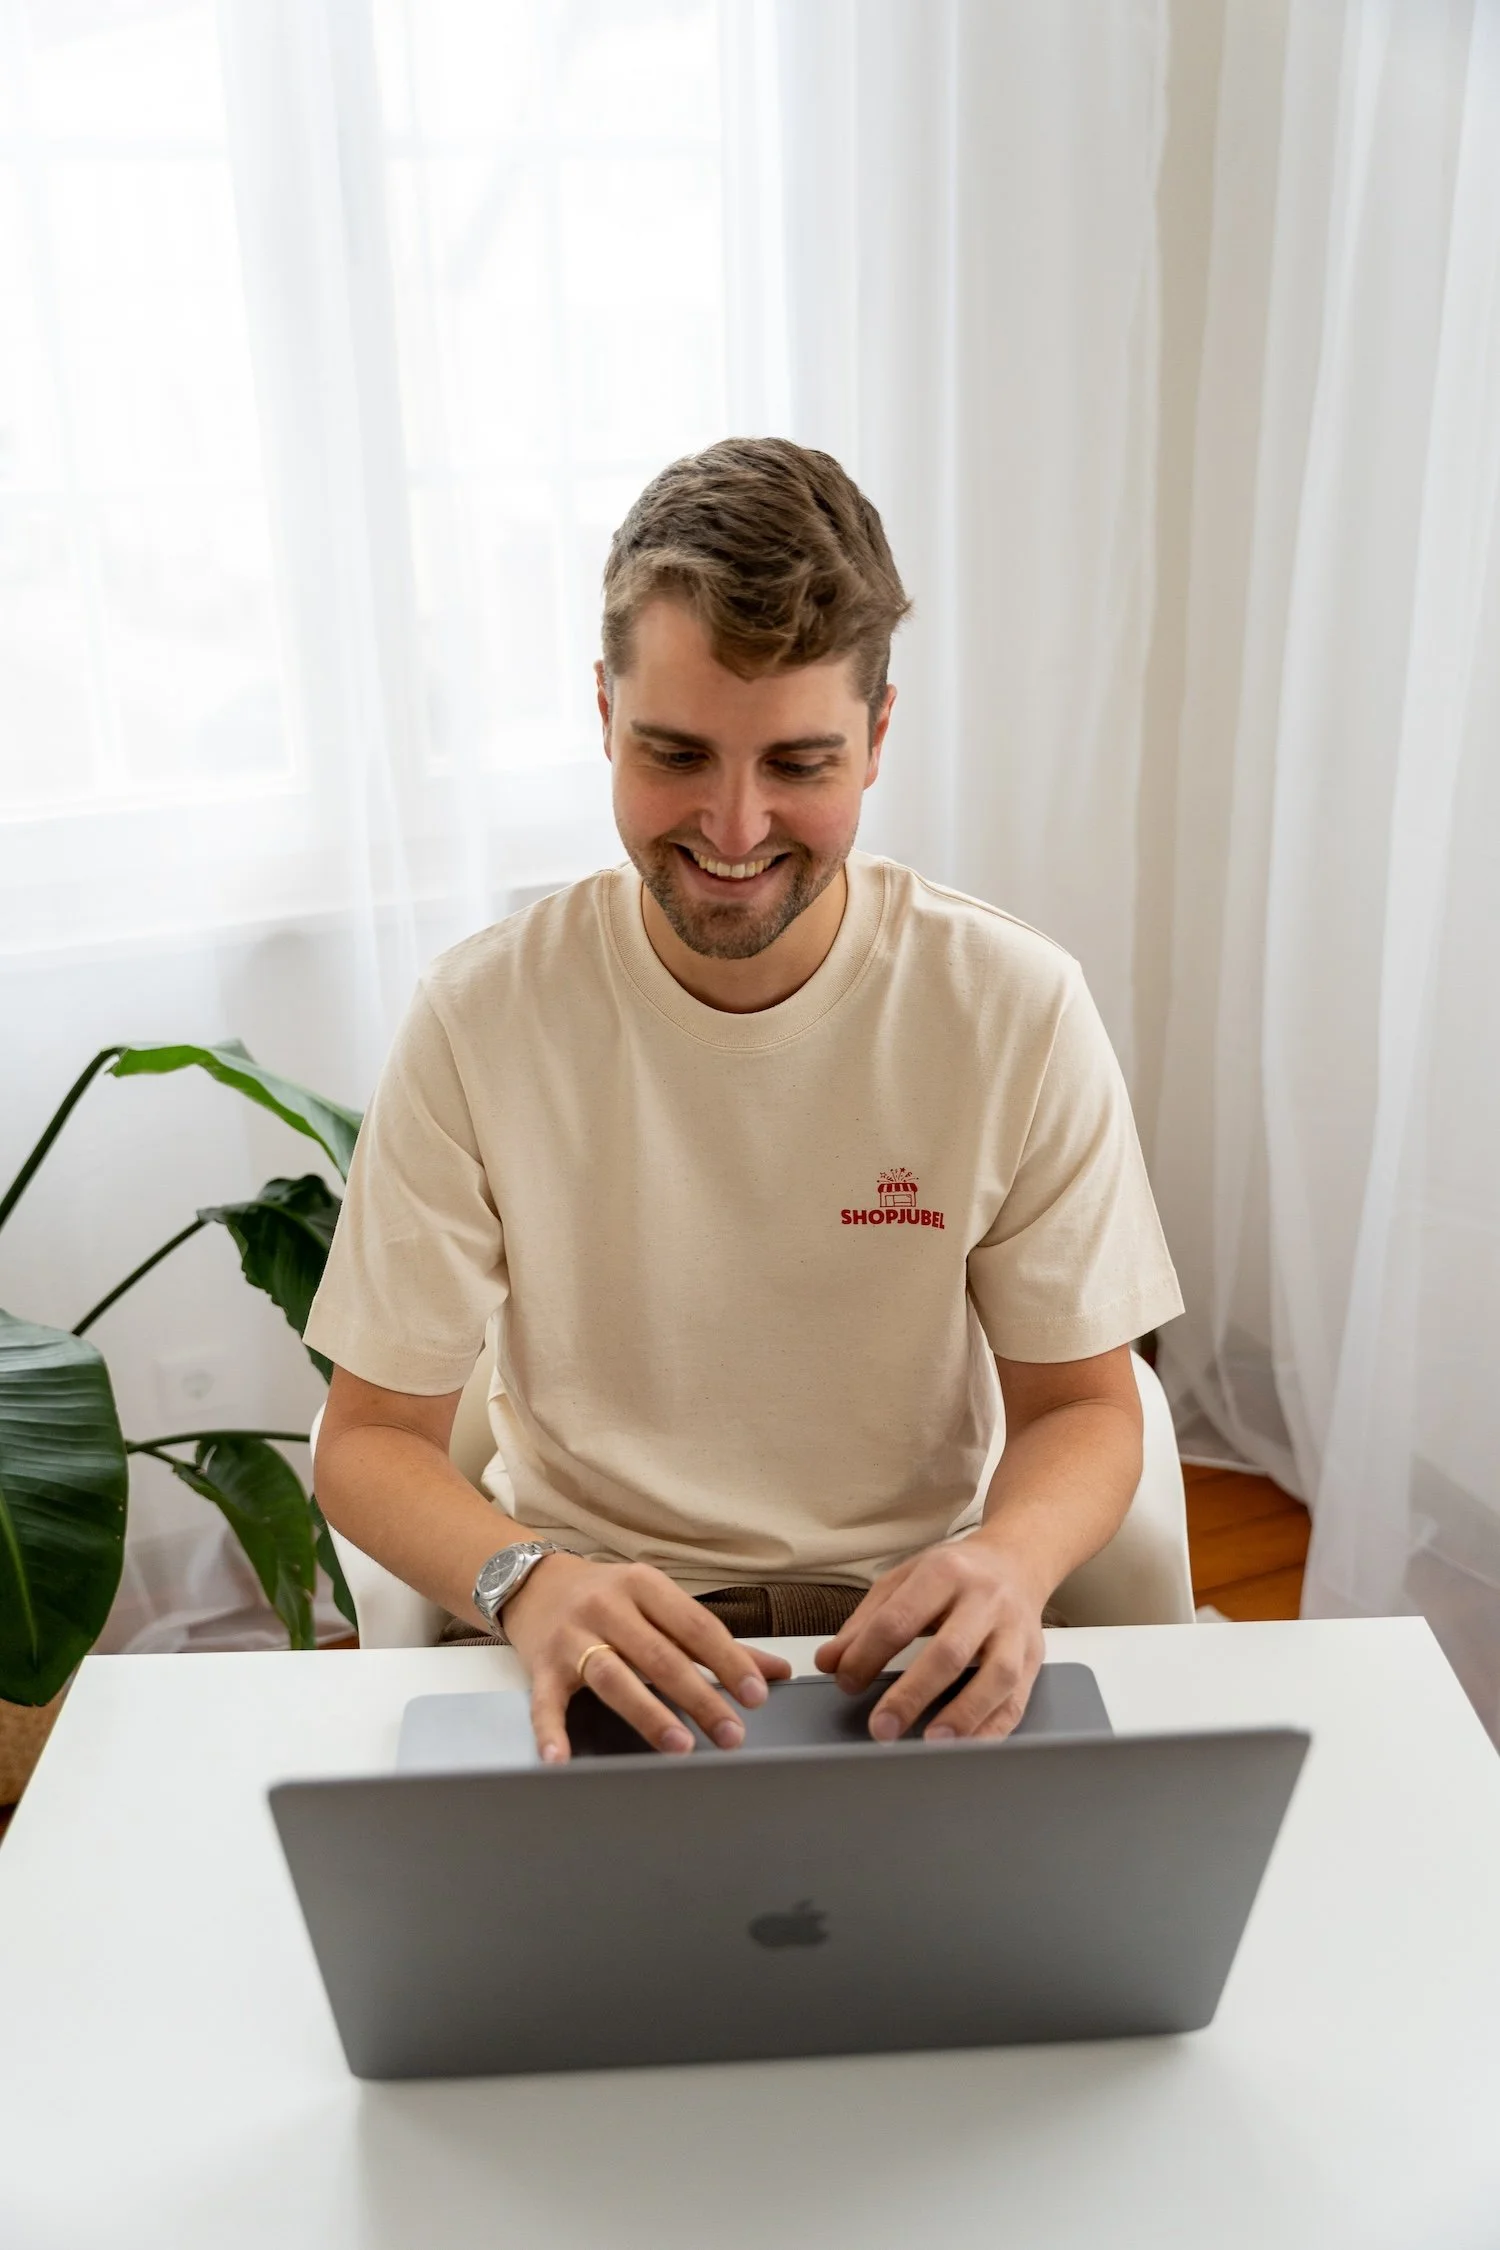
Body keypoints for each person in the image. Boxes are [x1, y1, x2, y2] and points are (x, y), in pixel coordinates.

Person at [307, 436, 1182, 1762]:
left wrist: (1007, 1560)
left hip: (906, 1649)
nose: (730, 827)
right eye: (676, 752)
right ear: (603, 713)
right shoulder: (478, 1021)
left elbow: (1083, 1406)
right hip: (595, 1641)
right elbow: (369, 1438)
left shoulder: (1014, 1006)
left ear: (878, 739)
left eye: (797, 764)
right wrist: (527, 1580)